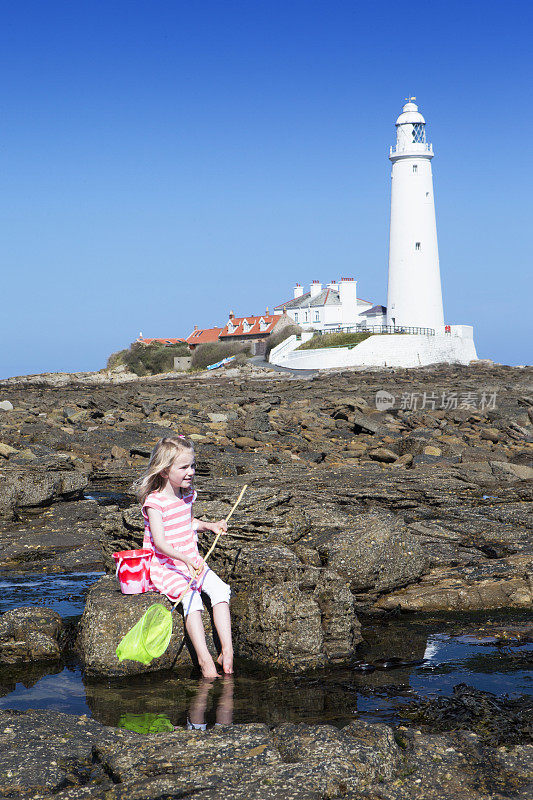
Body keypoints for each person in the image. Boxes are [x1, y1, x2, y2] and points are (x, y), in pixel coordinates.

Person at [133, 435, 233, 677]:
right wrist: (185, 560)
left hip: (191, 560)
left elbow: (187, 522)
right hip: (166, 565)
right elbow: (160, 542)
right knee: (191, 598)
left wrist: (209, 526)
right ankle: (205, 660)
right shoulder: (155, 502)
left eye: (193, 465)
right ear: (165, 471)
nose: (191, 472)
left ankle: (227, 651)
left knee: (221, 590)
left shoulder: (186, 494)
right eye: (184, 467)